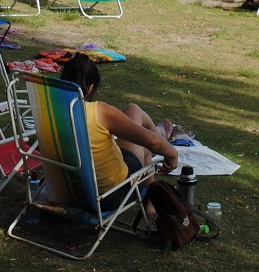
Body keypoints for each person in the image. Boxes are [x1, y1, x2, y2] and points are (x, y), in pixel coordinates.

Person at [59, 54, 179, 204]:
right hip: (110, 195)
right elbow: (152, 142)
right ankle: (152, 201)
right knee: (136, 117)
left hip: (67, 190)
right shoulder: (99, 112)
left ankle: (160, 132)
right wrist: (172, 155)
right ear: (90, 88)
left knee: (134, 115)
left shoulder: (48, 109)